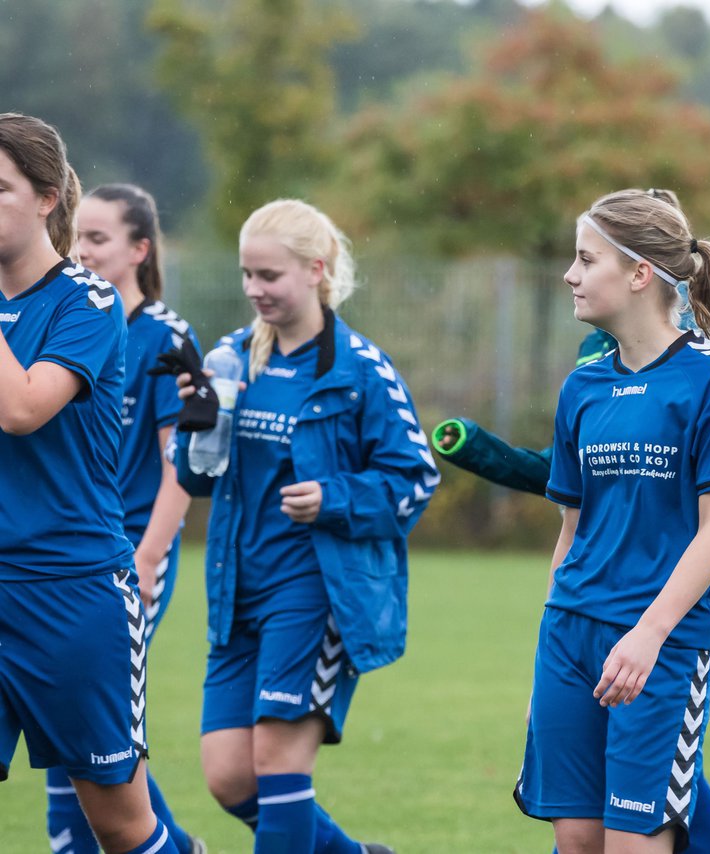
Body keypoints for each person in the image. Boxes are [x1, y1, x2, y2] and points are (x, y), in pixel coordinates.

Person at [170, 198, 439, 854]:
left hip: (315, 590)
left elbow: (416, 478)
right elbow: (197, 479)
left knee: (278, 763)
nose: (253, 290)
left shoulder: (359, 369)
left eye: (269, 276)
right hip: (236, 590)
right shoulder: (233, 359)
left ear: (317, 270)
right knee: (229, 776)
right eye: (246, 274)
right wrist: (195, 429)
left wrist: (334, 498)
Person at [513, 189, 710, 854]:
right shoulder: (582, 386)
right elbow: (572, 529)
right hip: (570, 635)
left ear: (638, 274)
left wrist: (648, 636)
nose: (570, 274)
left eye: (585, 259)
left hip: (664, 645)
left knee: (635, 844)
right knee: (576, 843)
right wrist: (550, 635)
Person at [0, 113, 180, 854]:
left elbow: (22, 408)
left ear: (46, 198)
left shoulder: (88, 302)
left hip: (69, 591)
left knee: (118, 824)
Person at [36, 183, 206, 854]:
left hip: (122, 557)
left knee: (85, 730)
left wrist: (148, 556)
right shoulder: (69, 316)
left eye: (99, 238)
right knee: (82, 732)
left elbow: (180, 466)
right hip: (60, 556)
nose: (83, 250)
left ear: (140, 250)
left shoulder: (166, 338)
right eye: (79, 236)